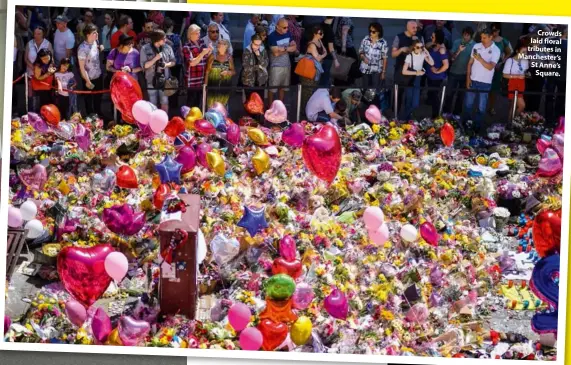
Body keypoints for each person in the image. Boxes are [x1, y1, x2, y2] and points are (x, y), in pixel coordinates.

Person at [463, 28, 501, 135]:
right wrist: (468, 78)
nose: (482, 39)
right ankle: (466, 126)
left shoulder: (496, 50)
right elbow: (470, 63)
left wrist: (479, 59)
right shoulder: (476, 46)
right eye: (481, 37)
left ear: (491, 37)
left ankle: (477, 128)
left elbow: (490, 67)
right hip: (473, 80)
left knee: (481, 108)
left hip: (485, 83)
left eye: (484, 37)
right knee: (468, 105)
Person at [141, 30, 176, 111]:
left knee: (165, 102)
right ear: (156, 39)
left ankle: (164, 121)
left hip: (164, 80)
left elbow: (174, 62)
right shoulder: (145, 48)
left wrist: (166, 65)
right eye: (163, 39)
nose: (165, 40)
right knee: (152, 103)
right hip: (151, 80)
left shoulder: (167, 47)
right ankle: (153, 122)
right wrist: (155, 59)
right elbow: (144, 66)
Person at [392, 20, 421, 114]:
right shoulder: (399, 37)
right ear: (407, 28)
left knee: (409, 97)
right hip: (400, 71)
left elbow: (422, 53)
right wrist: (401, 50)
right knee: (398, 95)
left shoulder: (418, 38)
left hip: (412, 73)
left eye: (416, 27)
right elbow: (393, 54)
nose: (416, 29)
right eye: (413, 28)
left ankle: (407, 117)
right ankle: (395, 115)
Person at [400, 40, 434, 120]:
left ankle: (407, 119)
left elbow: (432, 63)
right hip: (410, 79)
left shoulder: (422, 54)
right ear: (414, 47)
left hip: (417, 79)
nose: (420, 49)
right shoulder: (409, 56)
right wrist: (416, 73)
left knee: (415, 104)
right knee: (408, 101)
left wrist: (427, 52)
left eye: (422, 47)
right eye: (418, 47)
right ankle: (405, 119)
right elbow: (404, 71)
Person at [445, 26, 475, 116]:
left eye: (467, 35)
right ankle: (446, 113)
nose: (465, 37)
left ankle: (456, 114)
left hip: (465, 74)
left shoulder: (475, 45)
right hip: (453, 72)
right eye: (464, 35)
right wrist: (459, 50)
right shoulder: (457, 42)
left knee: (461, 96)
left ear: (471, 36)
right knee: (449, 94)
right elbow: (452, 58)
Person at [183, 24, 213, 109]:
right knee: (191, 101)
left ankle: (198, 120)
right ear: (190, 34)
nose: (199, 35)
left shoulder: (201, 43)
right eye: (196, 33)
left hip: (201, 78)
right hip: (192, 79)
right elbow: (192, 63)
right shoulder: (187, 46)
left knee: (199, 101)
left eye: (199, 33)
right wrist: (202, 53)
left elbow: (205, 57)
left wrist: (209, 51)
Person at [268, 18, 297, 103]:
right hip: (276, 66)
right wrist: (288, 49)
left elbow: (294, 47)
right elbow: (275, 54)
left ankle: (281, 106)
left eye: (287, 27)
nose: (287, 29)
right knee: (272, 89)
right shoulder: (272, 36)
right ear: (278, 27)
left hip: (286, 65)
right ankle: (270, 107)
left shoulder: (288, 33)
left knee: (283, 88)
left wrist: (283, 48)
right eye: (284, 27)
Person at [299, 25, 327, 115]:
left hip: (316, 71)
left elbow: (325, 52)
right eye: (320, 33)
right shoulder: (311, 44)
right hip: (309, 71)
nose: (322, 35)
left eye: (322, 33)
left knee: (312, 91)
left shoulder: (319, 41)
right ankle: (303, 112)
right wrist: (322, 56)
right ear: (314, 34)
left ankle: (309, 111)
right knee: (306, 92)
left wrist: (321, 56)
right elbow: (318, 58)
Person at [77, 24, 103, 117]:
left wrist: (100, 48)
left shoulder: (96, 42)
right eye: (94, 33)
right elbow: (82, 67)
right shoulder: (82, 48)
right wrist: (87, 81)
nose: (96, 34)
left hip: (98, 76)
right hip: (89, 78)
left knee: (98, 98)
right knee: (89, 100)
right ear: (87, 35)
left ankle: (99, 115)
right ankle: (90, 118)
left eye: (97, 32)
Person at [488, 23, 512, 115]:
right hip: (486, 67)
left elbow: (509, 53)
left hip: (497, 68)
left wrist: (502, 62)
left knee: (494, 89)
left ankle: (492, 107)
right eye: (493, 30)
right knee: (485, 87)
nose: (495, 32)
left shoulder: (503, 41)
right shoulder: (488, 39)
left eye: (496, 30)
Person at [503, 40, 529, 122]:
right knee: (520, 105)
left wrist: (526, 75)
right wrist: (517, 76)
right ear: (517, 51)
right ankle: (512, 122)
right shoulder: (510, 61)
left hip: (521, 85)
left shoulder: (525, 61)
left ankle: (511, 122)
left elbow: (524, 73)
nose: (525, 54)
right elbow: (504, 75)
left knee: (513, 106)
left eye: (526, 52)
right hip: (512, 84)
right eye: (523, 52)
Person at [204, 39, 235, 109]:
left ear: (226, 46)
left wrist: (228, 72)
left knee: (223, 108)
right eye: (218, 44)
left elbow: (233, 71)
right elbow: (207, 71)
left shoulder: (229, 57)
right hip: (212, 86)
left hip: (225, 86)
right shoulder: (212, 56)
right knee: (211, 107)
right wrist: (205, 86)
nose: (218, 45)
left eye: (221, 44)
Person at [425, 29, 449, 118]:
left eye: (433, 36)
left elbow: (446, 65)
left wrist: (437, 71)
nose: (431, 37)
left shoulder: (442, 49)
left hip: (437, 78)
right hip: (430, 77)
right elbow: (426, 46)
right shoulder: (435, 45)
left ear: (437, 38)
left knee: (435, 98)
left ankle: (436, 117)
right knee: (432, 96)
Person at [358, 22, 388, 90]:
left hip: (376, 70)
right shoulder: (365, 39)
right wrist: (363, 57)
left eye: (373, 31)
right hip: (365, 69)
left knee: (374, 90)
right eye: (370, 31)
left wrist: (383, 72)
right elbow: (360, 50)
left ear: (378, 32)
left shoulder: (383, 42)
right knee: (365, 88)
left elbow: (385, 58)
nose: (371, 33)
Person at [332, 17, 359, 85]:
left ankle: (340, 82)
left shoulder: (340, 19)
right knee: (353, 64)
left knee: (342, 64)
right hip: (347, 46)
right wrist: (344, 47)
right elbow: (344, 32)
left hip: (339, 45)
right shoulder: (346, 19)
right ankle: (347, 83)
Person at [242, 34, 269, 98]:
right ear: (251, 42)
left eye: (259, 44)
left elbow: (265, 64)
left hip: (260, 81)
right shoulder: (246, 51)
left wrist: (258, 55)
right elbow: (246, 68)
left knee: (260, 102)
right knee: (249, 103)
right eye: (255, 44)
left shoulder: (262, 50)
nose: (257, 47)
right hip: (249, 81)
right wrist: (258, 67)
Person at [164, 17, 183, 107]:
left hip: (165, 63)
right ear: (171, 26)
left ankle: (166, 101)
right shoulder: (177, 37)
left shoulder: (162, 37)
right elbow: (180, 50)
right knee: (175, 82)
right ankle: (174, 103)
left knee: (166, 82)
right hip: (177, 62)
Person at [319, 16, 337, 87]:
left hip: (319, 55)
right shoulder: (329, 30)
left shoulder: (320, 25)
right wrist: (336, 60)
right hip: (327, 57)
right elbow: (331, 48)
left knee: (320, 79)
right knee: (325, 79)